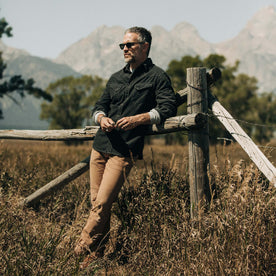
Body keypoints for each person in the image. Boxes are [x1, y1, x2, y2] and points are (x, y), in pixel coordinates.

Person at [74, 26, 177, 267]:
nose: (125, 49)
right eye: (123, 45)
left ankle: (78, 249)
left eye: (129, 44)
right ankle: (95, 257)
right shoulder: (115, 78)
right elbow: (99, 105)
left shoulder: (157, 77)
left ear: (145, 46)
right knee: (97, 204)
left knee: (102, 203)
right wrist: (101, 118)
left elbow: (168, 107)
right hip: (100, 147)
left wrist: (140, 118)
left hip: (124, 151)